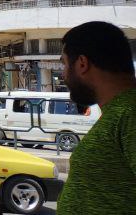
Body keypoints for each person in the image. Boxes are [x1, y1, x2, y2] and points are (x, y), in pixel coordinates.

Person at [56, 21, 136, 212]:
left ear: (82, 63)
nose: (63, 75)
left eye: (65, 64)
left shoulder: (130, 113)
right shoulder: (119, 111)